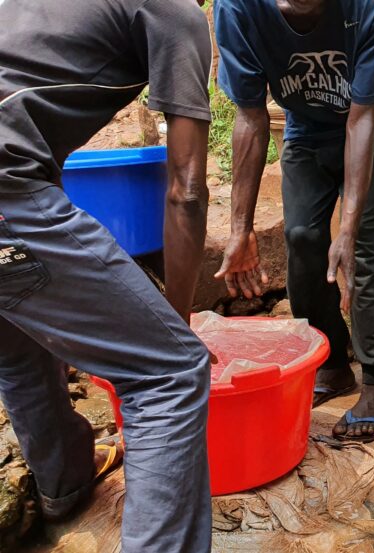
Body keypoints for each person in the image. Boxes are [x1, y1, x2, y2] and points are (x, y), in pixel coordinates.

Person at [0, 0, 214, 550]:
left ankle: (66, 483)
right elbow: (187, 190)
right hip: (7, 196)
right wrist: (177, 327)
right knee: (168, 374)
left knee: (16, 342)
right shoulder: (177, 13)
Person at [213, 0, 374, 442]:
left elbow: (362, 117)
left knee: (362, 238)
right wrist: (240, 227)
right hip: (307, 126)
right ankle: (333, 363)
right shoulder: (238, 7)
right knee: (301, 236)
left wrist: (347, 227)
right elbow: (250, 116)